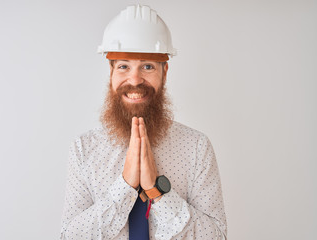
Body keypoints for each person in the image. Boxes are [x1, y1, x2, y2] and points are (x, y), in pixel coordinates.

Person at [60, 4, 227, 240]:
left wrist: (157, 192)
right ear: (111, 72)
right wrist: (125, 187)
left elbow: (217, 237)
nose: (135, 79)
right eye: (124, 66)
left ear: (164, 72)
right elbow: (68, 236)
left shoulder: (197, 147)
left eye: (147, 66)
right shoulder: (84, 149)